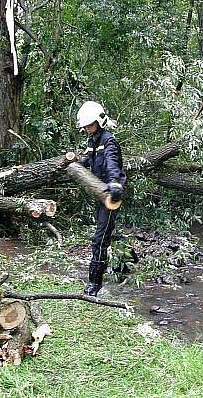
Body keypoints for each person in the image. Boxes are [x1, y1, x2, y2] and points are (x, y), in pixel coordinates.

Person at [77, 101, 126, 296]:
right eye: (85, 126)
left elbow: (112, 163)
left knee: (100, 238)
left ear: (100, 122)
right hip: (99, 192)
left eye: (90, 125)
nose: (87, 129)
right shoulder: (92, 141)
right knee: (101, 235)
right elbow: (89, 159)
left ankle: (94, 284)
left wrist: (114, 182)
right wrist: (76, 164)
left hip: (110, 196)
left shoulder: (109, 141)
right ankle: (116, 265)